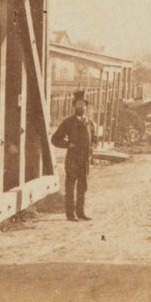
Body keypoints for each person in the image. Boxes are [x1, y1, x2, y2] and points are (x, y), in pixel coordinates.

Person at [51, 91, 97, 221]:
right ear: (74, 106)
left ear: (86, 107)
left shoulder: (90, 123)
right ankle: (70, 214)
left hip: (85, 160)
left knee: (82, 186)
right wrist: (68, 144)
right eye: (78, 105)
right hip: (72, 159)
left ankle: (80, 212)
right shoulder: (68, 122)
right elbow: (55, 139)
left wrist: (93, 146)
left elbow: (94, 138)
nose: (81, 107)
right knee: (70, 186)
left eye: (83, 105)